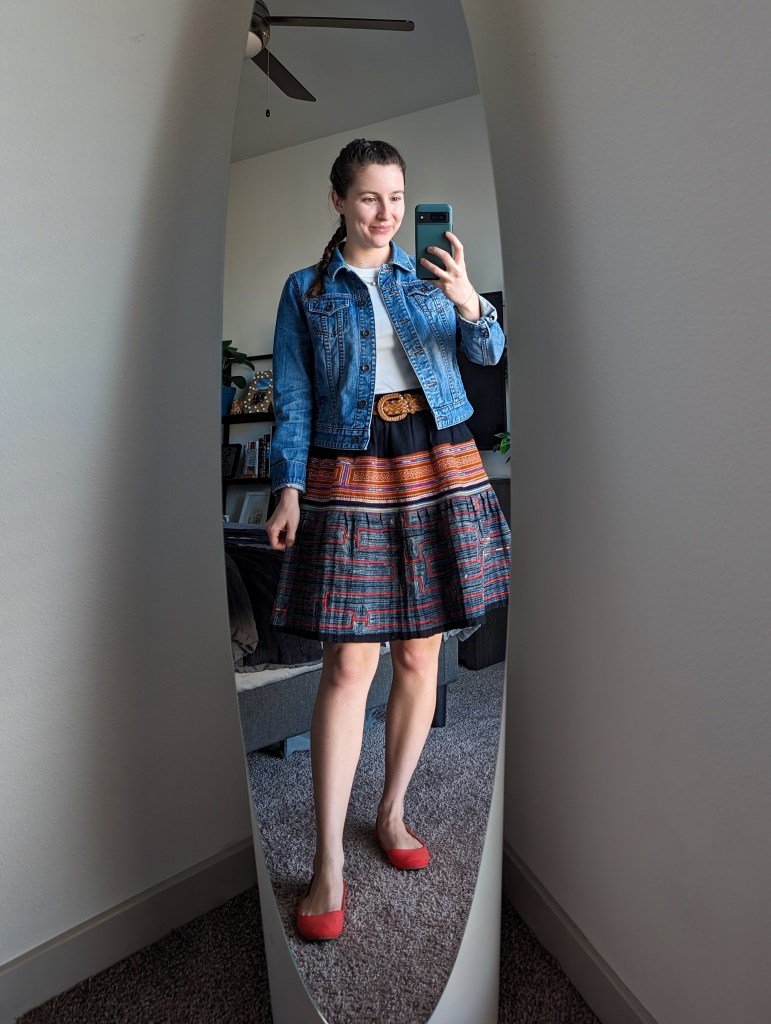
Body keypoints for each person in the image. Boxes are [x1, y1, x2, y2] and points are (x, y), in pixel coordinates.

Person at [265, 138, 510, 942]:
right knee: (349, 664)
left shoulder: (428, 278)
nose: (386, 214)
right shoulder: (305, 291)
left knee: (421, 653)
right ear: (338, 200)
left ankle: (392, 812)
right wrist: (287, 487)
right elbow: (293, 398)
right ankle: (328, 860)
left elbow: (489, 353)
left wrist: (471, 300)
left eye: (397, 197)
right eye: (369, 198)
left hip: (439, 458)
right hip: (351, 466)